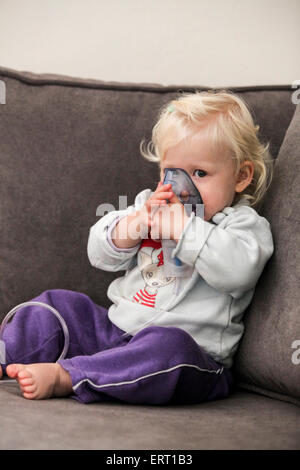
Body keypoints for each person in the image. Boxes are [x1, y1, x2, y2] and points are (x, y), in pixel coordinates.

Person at [0, 90, 274, 405]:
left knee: (168, 347)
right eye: (171, 173)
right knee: (58, 304)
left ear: (241, 176)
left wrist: (184, 229)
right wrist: (133, 225)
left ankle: (70, 375)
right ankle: (6, 353)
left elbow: (238, 271)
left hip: (191, 356)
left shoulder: (241, 225)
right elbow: (99, 253)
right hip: (113, 334)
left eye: (199, 174)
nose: (182, 189)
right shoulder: (149, 207)